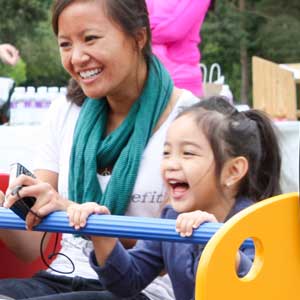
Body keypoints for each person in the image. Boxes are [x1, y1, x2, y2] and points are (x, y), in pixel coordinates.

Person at [0, 0, 199, 299]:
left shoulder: (189, 120)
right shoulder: (64, 111)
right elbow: (32, 245)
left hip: (143, 288)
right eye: (65, 44)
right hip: (61, 278)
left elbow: (170, 250)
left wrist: (72, 211)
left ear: (139, 37)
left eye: (90, 38)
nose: (77, 57)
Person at [56, 96, 282, 300]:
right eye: (166, 152)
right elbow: (127, 283)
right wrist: (102, 237)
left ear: (233, 171)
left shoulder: (257, 224)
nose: (171, 164)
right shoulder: (171, 219)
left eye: (188, 153)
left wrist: (218, 244)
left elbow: (261, 287)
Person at [146, 0, 211, 97]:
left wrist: (144, 28)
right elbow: (131, 21)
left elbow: (173, 31)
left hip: (180, 80)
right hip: (145, 78)